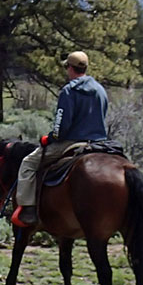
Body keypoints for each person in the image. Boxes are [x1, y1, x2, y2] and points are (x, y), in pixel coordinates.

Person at [11, 50, 108, 228]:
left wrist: (50, 138)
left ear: (69, 68)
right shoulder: (100, 90)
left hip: (71, 142)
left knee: (28, 163)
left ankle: (28, 209)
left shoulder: (69, 91)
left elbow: (61, 126)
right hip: (100, 143)